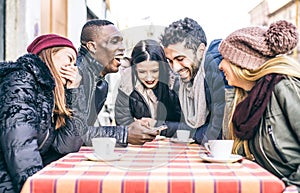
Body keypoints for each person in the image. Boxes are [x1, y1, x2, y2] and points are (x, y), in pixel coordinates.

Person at [218, 20, 300, 190]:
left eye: (224, 58)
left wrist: (294, 186)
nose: (220, 65)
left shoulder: (285, 86)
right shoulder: (247, 100)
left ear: (242, 63)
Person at [0, 34, 84, 193]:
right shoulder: (22, 78)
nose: (73, 67)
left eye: (75, 63)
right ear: (51, 53)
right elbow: (19, 146)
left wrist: (76, 93)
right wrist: (36, 188)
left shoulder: (49, 94)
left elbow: (67, 146)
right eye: (69, 58)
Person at [72, 19, 157, 147]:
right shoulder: (76, 76)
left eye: (122, 42)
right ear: (92, 47)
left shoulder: (101, 83)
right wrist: (124, 134)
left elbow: (85, 133)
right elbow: (74, 136)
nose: (122, 47)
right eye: (114, 41)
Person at [160, 17, 231, 143]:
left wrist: (190, 134)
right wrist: (158, 126)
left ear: (200, 51)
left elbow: (219, 133)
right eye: (170, 61)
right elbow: (193, 128)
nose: (175, 68)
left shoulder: (215, 69)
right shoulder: (188, 81)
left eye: (180, 59)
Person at [115, 39, 183, 137]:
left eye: (155, 71)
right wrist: (135, 128)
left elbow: (189, 127)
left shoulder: (176, 83)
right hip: (139, 146)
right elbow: (122, 125)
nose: (149, 78)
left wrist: (157, 125)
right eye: (142, 72)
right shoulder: (127, 86)